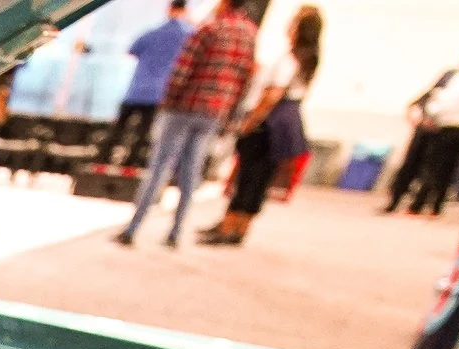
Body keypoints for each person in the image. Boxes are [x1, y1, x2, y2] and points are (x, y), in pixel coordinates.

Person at [116, 0, 259, 247]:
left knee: (160, 167)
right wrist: (229, 113)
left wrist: (167, 102)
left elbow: (183, 69)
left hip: (184, 106)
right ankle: (175, 232)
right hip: (213, 112)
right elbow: (245, 77)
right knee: (191, 172)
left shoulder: (208, 29)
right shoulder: (249, 35)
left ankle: (133, 229)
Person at [198, 7, 320, 245]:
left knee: (249, 175)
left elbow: (272, 94)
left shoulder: (289, 60)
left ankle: (230, 226)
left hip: (267, 125)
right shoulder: (306, 61)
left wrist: (251, 121)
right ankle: (237, 226)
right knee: (260, 178)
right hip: (283, 126)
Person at [386, 43, 459, 215]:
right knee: (447, 169)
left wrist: (431, 112)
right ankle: (434, 207)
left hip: (446, 125)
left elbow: (450, 101)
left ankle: (416, 205)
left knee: (430, 167)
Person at [108, 1, 195, 167]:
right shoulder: (189, 35)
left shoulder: (153, 32)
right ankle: (131, 162)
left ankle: (104, 157)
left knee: (118, 128)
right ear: (185, 11)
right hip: (160, 92)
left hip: (136, 90)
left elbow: (132, 49)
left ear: (170, 9)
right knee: (144, 131)